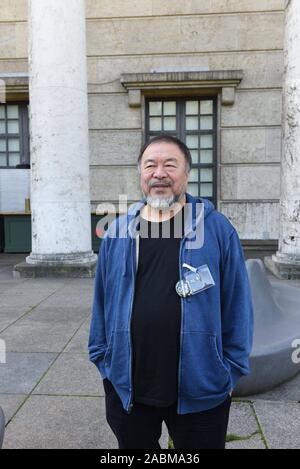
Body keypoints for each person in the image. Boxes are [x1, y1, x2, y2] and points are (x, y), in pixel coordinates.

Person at [88, 134, 254, 449]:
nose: (159, 173)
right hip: (129, 387)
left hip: (201, 388)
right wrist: (103, 360)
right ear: (140, 175)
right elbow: (101, 303)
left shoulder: (217, 229)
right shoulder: (118, 233)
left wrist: (230, 371)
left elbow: (238, 304)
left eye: (170, 165)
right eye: (150, 165)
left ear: (187, 174)